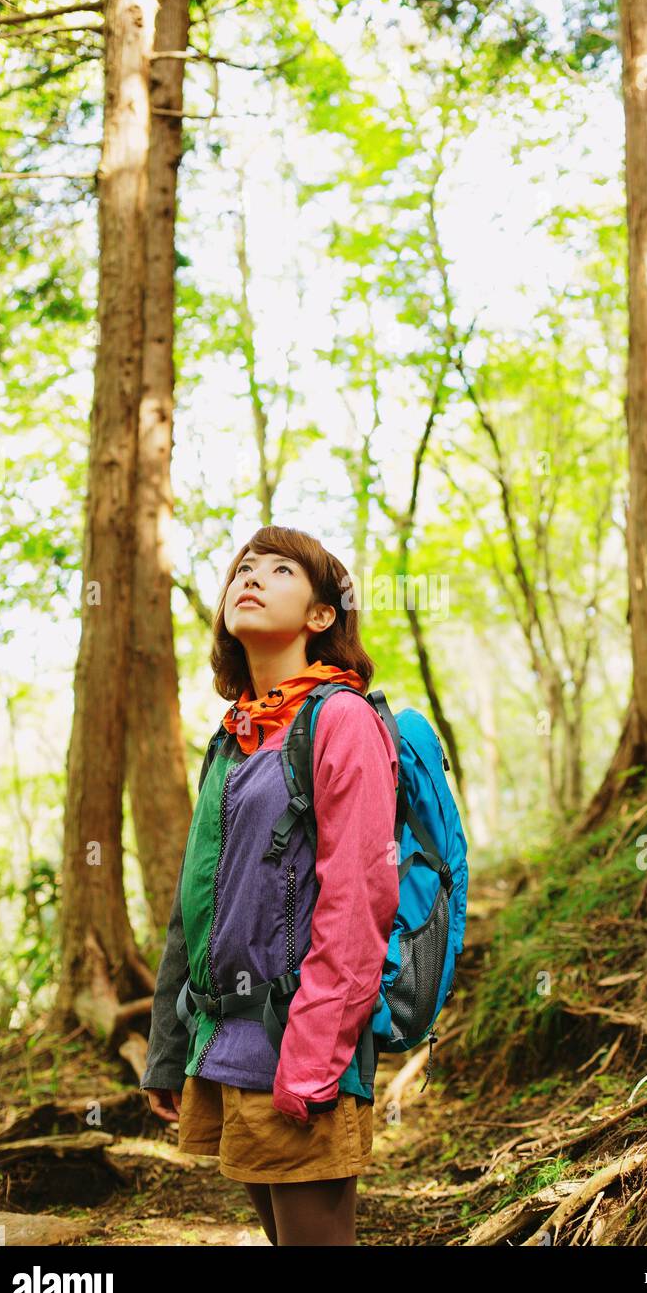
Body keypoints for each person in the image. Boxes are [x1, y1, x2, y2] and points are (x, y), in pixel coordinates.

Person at [140, 524, 400, 1246]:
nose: (250, 576)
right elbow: (191, 906)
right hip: (229, 1041)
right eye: (243, 568)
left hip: (301, 1041)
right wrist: (169, 1046)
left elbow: (360, 899)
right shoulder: (233, 738)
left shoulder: (340, 719)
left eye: (281, 569)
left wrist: (314, 1060)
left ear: (322, 616)